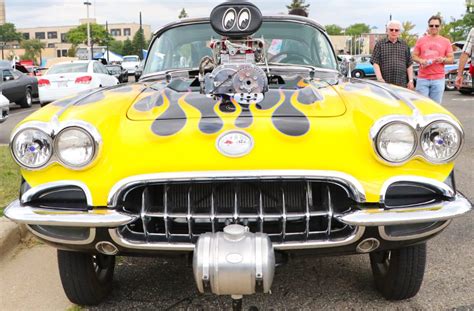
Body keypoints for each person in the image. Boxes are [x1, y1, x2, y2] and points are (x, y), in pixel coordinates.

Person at [412, 16, 454, 104]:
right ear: (428, 26)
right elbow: (414, 56)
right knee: (422, 105)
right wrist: (421, 61)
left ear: (440, 27)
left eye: (436, 25)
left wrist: (443, 59)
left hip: (438, 79)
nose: (434, 27)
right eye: (431, 25)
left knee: (435, 106)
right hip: (423, 78)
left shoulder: (446, 41)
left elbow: (451, 59)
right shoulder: (421, 40)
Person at [371, 20, 414, 89]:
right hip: (385, 83)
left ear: (399, 32)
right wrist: (380, 79)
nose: (394, 32)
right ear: (387, 30)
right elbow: (375, 62)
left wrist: (411, 81)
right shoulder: (380, 44)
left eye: (396, 30)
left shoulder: (404, 45)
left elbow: (409, 63)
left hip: (402, 83)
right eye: (391, 29)